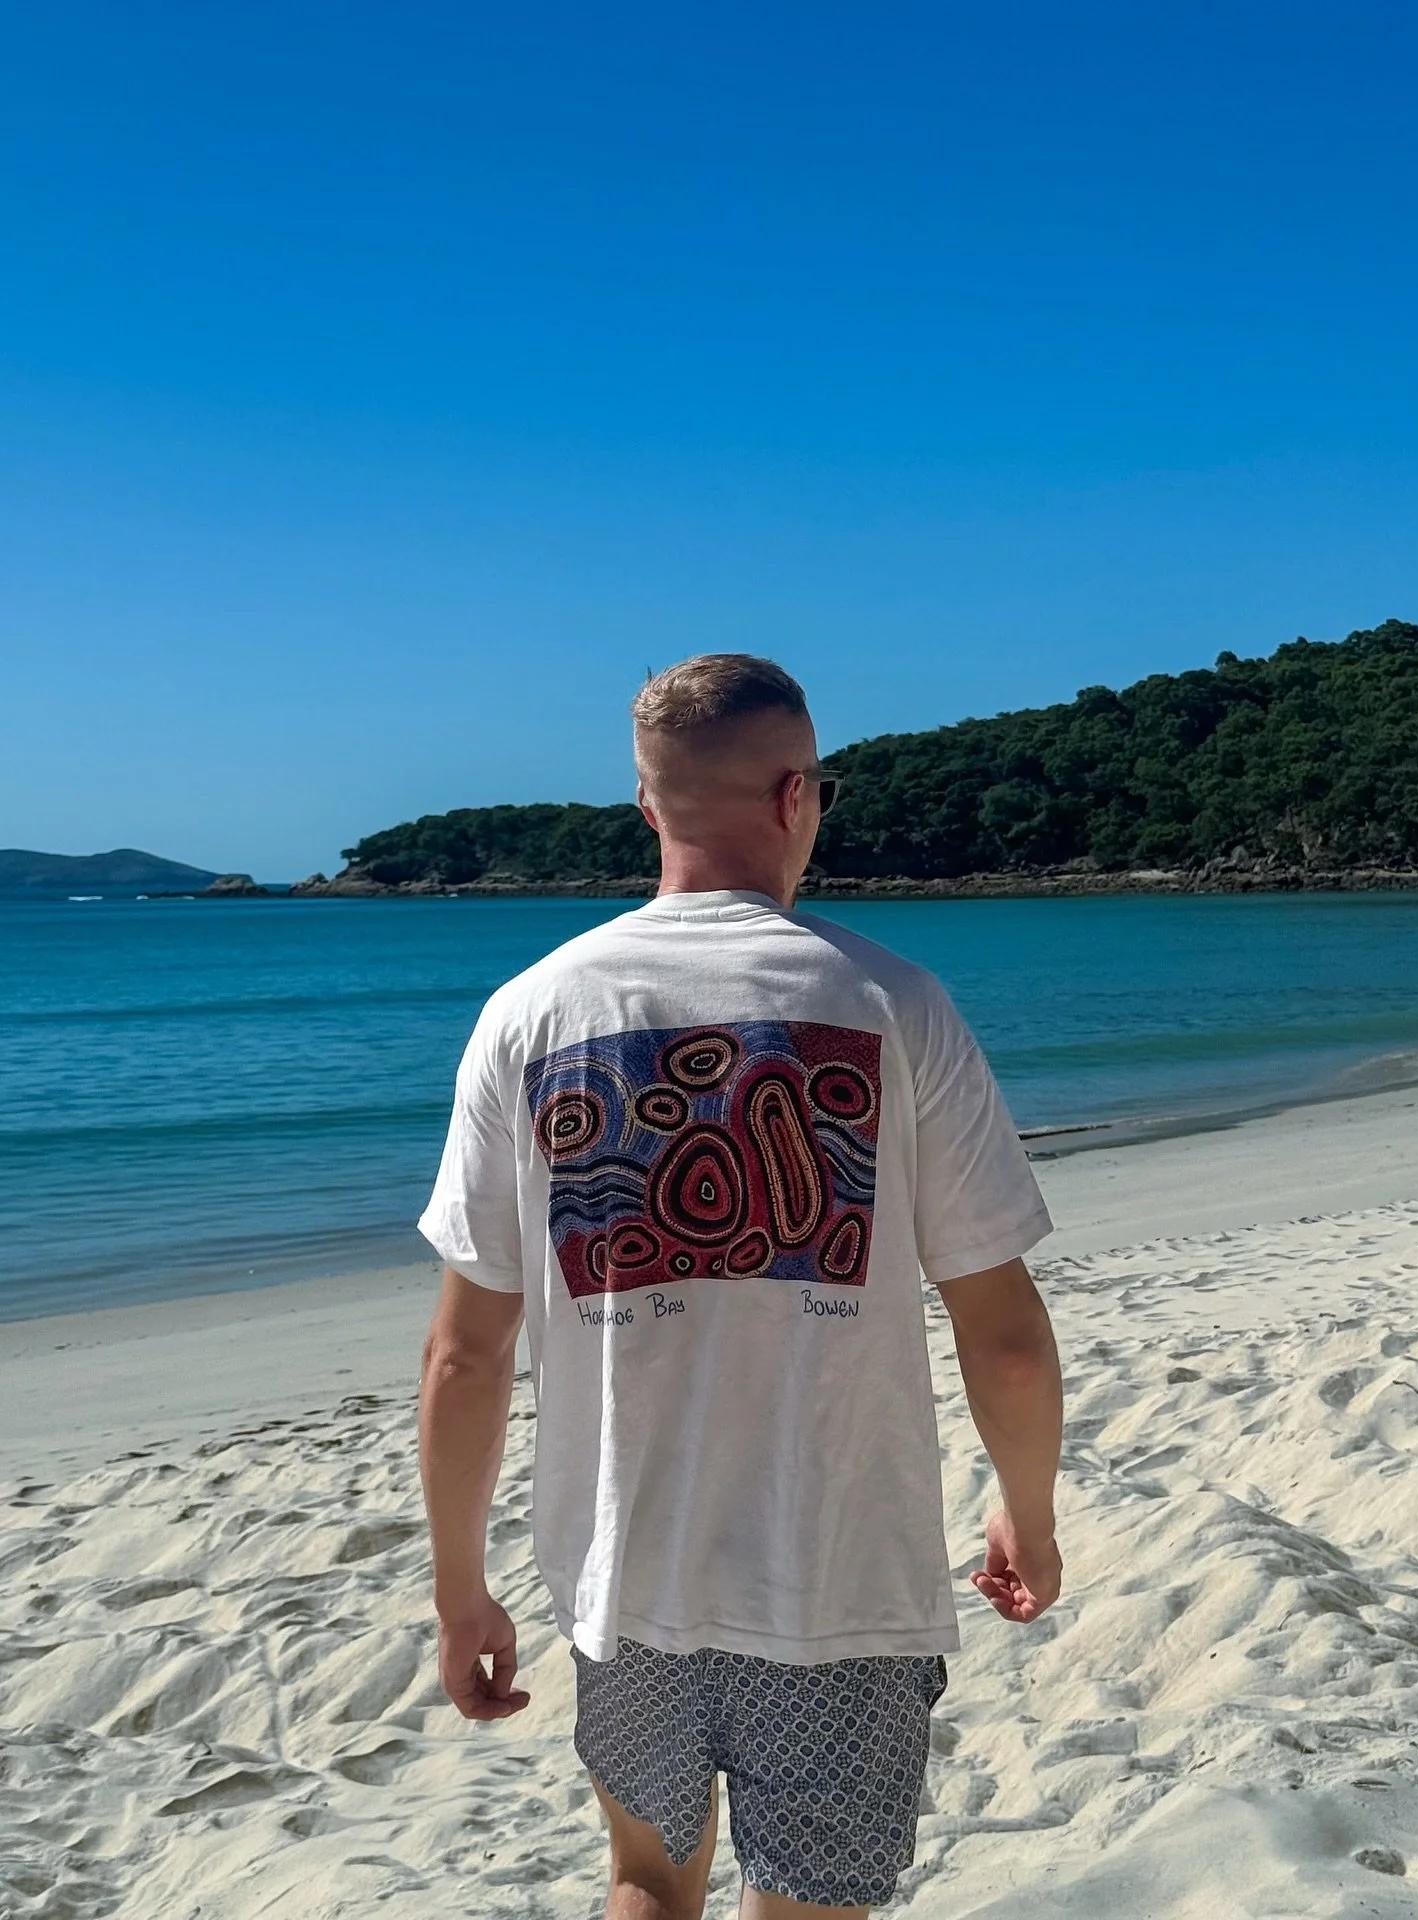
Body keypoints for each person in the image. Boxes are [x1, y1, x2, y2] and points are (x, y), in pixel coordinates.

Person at [417, 654, 1064, 1920]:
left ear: (647, 805)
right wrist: (1026, 1511)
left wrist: (459, 1591)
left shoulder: (529, 1014)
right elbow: (1001, 1333)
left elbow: (464, 1355)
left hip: (625, 1577)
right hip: (839, 1575)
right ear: (795, 796)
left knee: (646, 1884)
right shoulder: (892, 1003)